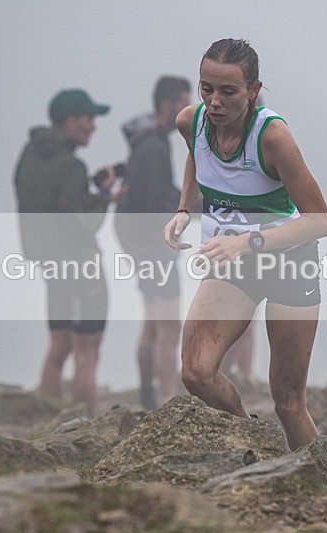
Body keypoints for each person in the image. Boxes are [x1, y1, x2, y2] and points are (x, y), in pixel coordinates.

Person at [164, 38, 327, 450]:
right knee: (196, 374)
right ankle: (251, 436)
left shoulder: (273, 137)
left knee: (289, 404)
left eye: (228, 92)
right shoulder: (191, 121)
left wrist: (248, 243)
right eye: (206, 88)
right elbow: (195, 154)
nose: (214, 102)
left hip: (289, 265)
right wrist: (185, 208)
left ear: (254, 90)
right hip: (232, 264)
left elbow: (320, 222)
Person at [14, 89, 120, 412]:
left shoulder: (29, 156)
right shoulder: (70, 166)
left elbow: (52, 204)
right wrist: (104, 197)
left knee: (58, 346)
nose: (94, 126)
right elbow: (82, 225)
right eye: (90, 119)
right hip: (82, 268)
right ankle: (87, 431)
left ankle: (50, 424)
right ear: (72, 121)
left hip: (49, 265)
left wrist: (90, 189)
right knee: (87, 353)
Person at [114, 76, 191, 409]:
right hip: (153, 245)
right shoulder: (154, 146)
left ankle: (149, 395)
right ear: (167, 105)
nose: (189, 112)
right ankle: (164, 400)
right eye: (184, 104)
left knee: (152, 320)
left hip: (141, 244)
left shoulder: (147, 142)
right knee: (170, 327)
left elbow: (158, 194)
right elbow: (154, 199)